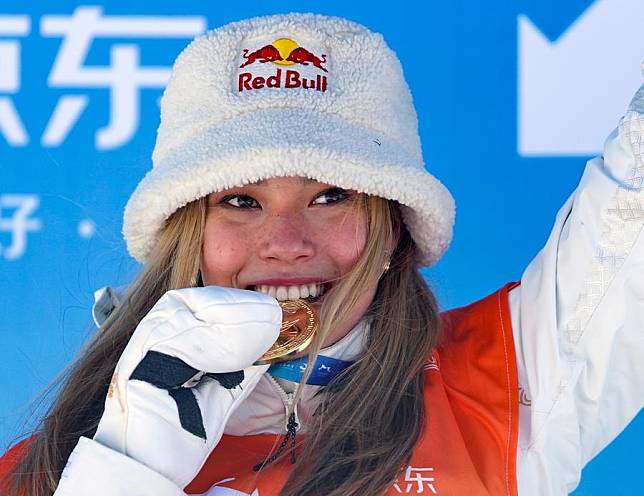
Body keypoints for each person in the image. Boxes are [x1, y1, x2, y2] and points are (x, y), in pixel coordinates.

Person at [0, 12, 642, 496]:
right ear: (186, 234)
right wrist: (121, 470)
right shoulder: (46, 468)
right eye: (241, 202)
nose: (285, 243)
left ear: (393, 228)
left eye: (331, 195)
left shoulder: (512, 385)